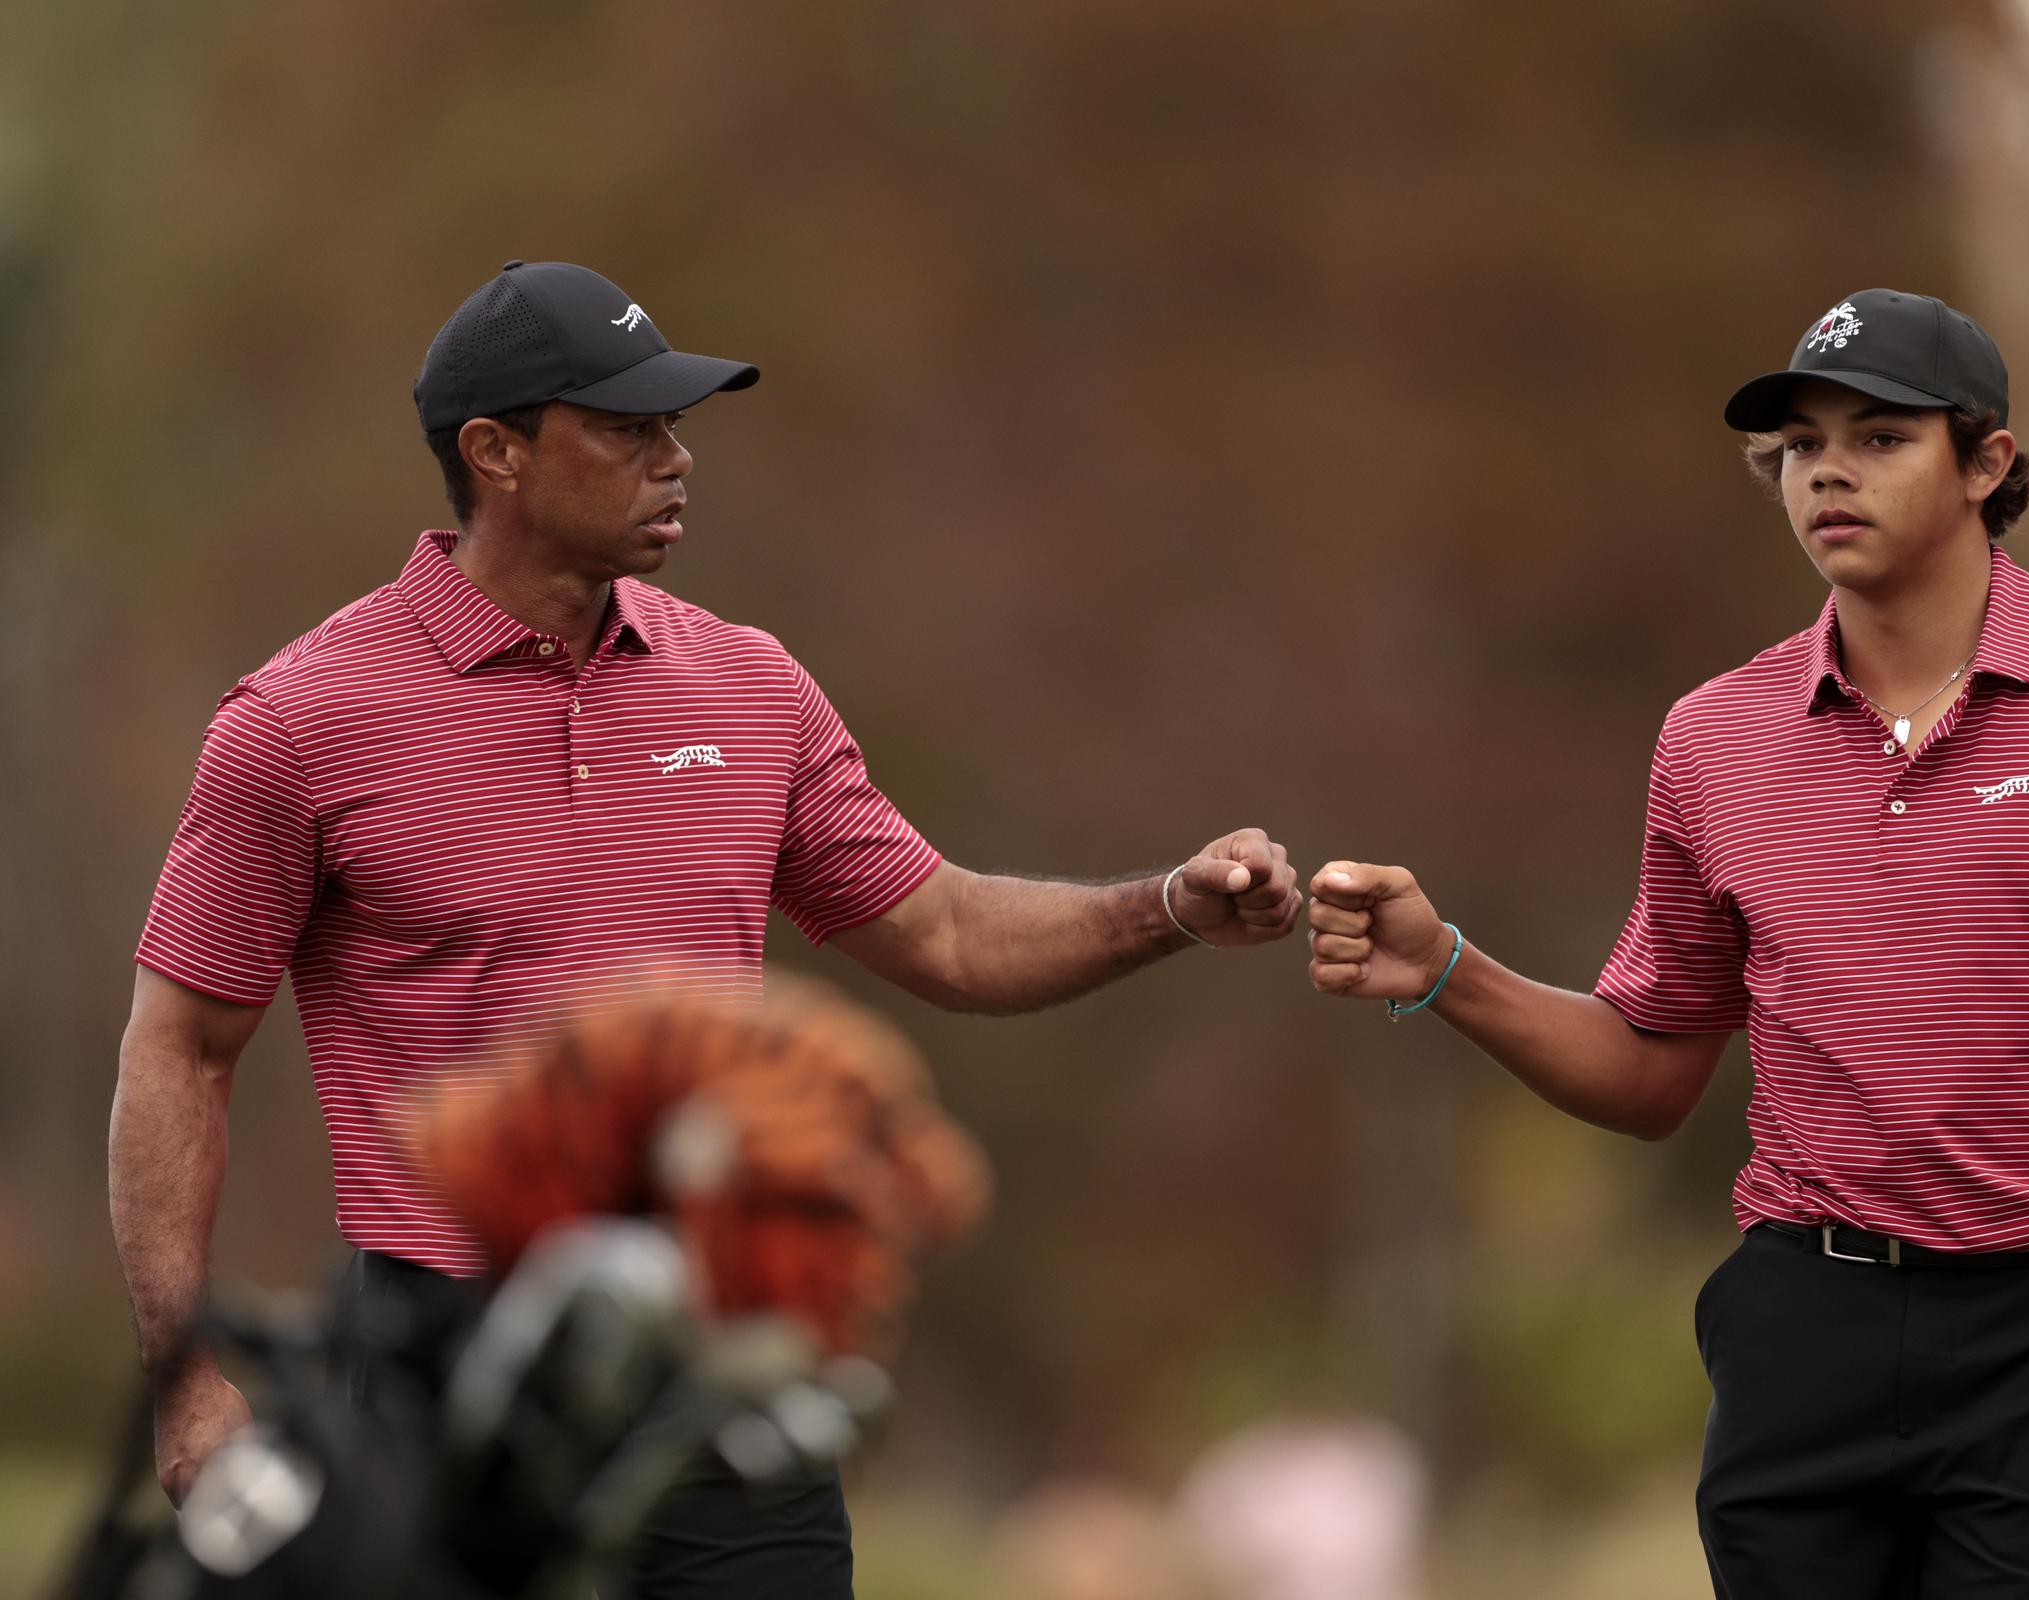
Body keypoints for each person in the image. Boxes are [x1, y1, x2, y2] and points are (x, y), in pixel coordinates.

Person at [110, 259, 1302, 1600]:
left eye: (674, 426)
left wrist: (1169, 908)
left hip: (722, 1361)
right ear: (494, 453)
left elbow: (952, 935)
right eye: (626, 430)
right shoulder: (300, 721)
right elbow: (181, 1051)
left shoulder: (748, 683)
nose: (675, 460)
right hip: (438, 1368)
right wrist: (184, 1381)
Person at [1303, 288, 2029, 1597]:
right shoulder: (1714, 738)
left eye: (1880, 436)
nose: (1829, 472)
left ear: (1989, 463)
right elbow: (1651, 1070)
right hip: (1805, 1320)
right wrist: (1447, 971)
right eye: (1801, 446)